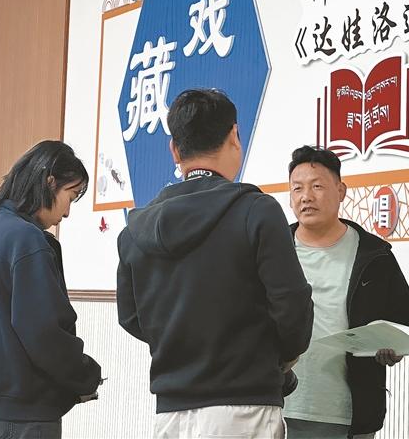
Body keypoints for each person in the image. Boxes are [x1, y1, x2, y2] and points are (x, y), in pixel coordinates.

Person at [116, 88, 314, 439]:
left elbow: (131, 317)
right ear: (234, 136)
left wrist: (180, 344)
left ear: (174, 150)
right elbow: (293, 307)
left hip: (170, 413)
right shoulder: (257, 211)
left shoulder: (135, 229)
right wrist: (279, 357)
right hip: (245, 407)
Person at [0, 140, 102, 439]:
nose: (68, 212)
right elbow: (43, 333)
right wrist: (86, 375)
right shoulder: (27, 241)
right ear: (49, 182)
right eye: (70, 196)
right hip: (23, 419)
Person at [284, 145, 409, 439]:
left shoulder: (374, 255)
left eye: (317, 186)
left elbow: (401, 315)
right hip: (277, 405)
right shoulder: (272, 249)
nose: (306, 196)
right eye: (297, 188)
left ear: (341, 190)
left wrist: (393, 347)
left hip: (348, 410)